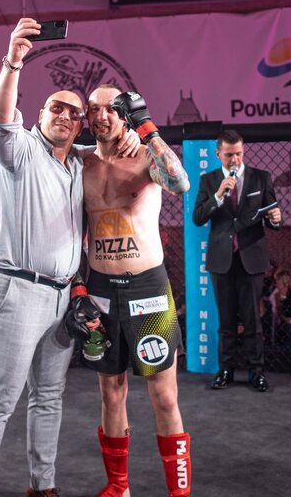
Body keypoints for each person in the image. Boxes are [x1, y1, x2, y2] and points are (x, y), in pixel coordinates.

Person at [0, 19, 138, 497]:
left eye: (73, 112)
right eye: (55, 108)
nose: (64, 115)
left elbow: (114, 147)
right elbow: (1, 117)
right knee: (1, 399)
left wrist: (131, 136)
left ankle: (43, 487)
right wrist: (13, 61)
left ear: (80, 124)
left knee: (48, 396)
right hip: (17, 288)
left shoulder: (79, 161)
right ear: (40, 114)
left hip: (64, 294)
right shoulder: (19, 149)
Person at [79, 85, 192, 496]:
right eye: (94, 109)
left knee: (164, 396)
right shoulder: (79, 162)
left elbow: (179, 183)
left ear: (125, 114)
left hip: (147, 287)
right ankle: (118, 488)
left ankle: (179, 493)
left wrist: (146, 128)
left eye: (111, 108)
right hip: (101, 288)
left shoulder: (145, 155)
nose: (101, 116)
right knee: (111, 392)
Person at [192, 129, 282, 392]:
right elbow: (198, 217)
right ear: (218, 153)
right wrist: (218, 196)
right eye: (229, 155)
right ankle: (225, 370)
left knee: (253, 319)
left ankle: (257, 372)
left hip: (251, 258)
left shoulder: (261, 178)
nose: (234, 160)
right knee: (226, 320)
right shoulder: (209, 180)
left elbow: (272, 215)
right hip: (221, 260)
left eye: (239, 154)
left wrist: (276, 220)